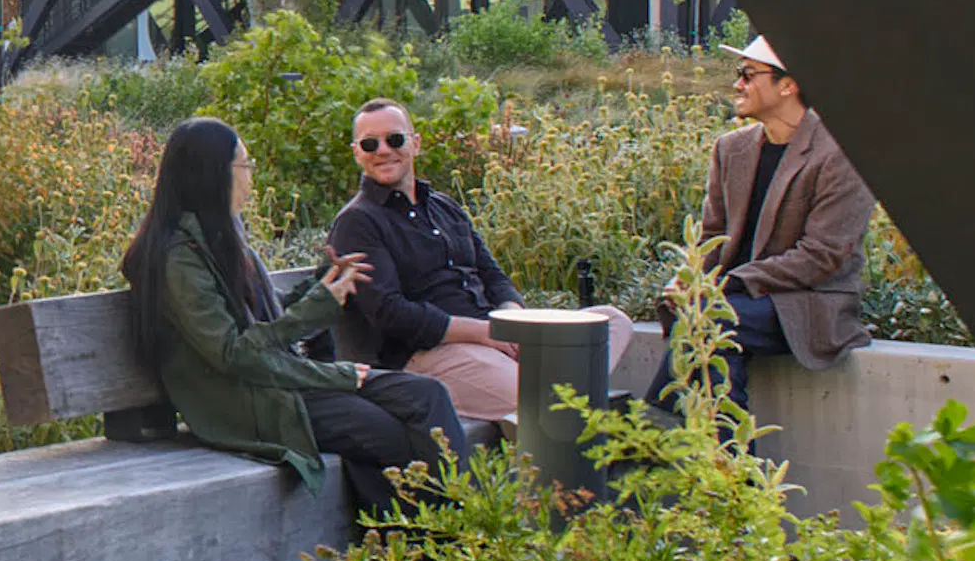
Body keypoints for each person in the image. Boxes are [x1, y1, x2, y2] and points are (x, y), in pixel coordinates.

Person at [125, 114, 469, 513]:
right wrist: (318, 316)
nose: (252, 176)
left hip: (285, 381)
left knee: (427, 395)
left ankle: (459, 537)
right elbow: (234, 355)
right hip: (255, 401)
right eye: (245, 165)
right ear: (213, 174)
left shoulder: (222, 236)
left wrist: (322, 287)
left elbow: (265, 321)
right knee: (394, 435)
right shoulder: (179, 259)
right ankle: (448, 547)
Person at [324, 99, 654, 425]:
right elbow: (392, 314)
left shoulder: (443, 207)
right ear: (357, 152)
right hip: (432, 353)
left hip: (493, 337)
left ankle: (553, 389)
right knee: (542, 400)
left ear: (416, 143)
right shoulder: (357, 223)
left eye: (394, 139)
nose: (383, 150)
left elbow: (491, 274)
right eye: (370, 144)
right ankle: (556, 399)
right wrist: (486, 333)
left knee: (610, 321)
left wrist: (515, 322)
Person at [685, 34, 873, 370]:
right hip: (736, 300)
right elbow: (711, 236)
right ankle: (701, 421)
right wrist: (688, 280)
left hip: (808, 304)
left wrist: (733, 283)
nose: (736, 85)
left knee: (712, 321)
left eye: (747, 74)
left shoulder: (841, 155)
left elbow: (822, 255)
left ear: (787, 85)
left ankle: (664, 420)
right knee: (697, 318)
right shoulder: (730, 148)